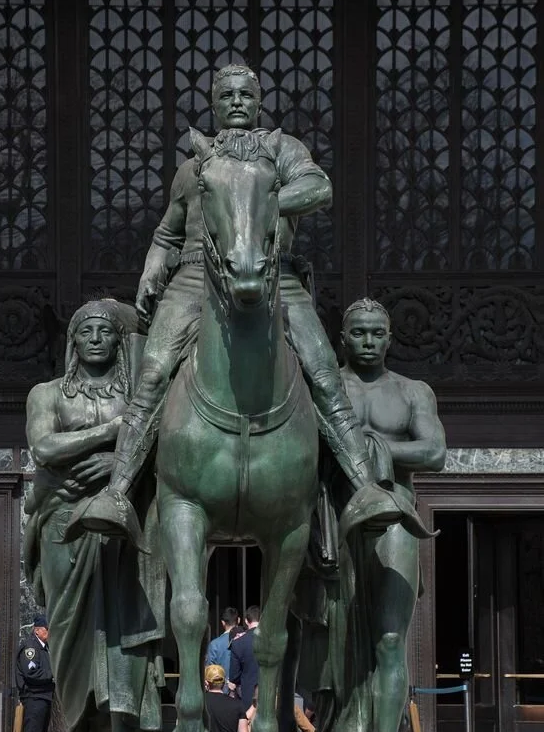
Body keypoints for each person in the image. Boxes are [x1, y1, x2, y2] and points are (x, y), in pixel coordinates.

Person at [75, 62, 386, 544]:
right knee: (154, 371)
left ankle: (364, 488)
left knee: (323, 370)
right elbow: (167, 232)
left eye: (246, 94)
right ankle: (117, 493)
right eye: (227, 96)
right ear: (214, 106)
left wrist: (256, 197)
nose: (237, 101)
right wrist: (151, 266)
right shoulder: (191, 167)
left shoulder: (281, 149)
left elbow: (320, 186)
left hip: (272, 275)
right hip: (195, 276)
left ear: (259, 101)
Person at [24, 299, 166, 732]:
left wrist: (119, 464)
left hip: (124, 525)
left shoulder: (141, 399)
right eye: (86, 331)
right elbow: (44, 447)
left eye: (106, 331)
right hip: (64, 524)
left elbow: (165, 451)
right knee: (72, 639)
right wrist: (116, 432)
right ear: (73, 341)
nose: (97, 339)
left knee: (126, 638)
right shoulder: (47, 394)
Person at [312, 298, 446, 732]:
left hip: (393, 513)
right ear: (342, 339)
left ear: (389, 338)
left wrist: (373, 447)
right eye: (359, 334)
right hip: (336, 519)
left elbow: (434, 451)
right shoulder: (324, 389)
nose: (368, 342)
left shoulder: (412, 392)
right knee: (328, 643)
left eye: (377, 334)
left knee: (390, 641)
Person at [16, 614, 54, 732]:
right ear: (37, 630)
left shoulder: (44, 647)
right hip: (34, 697)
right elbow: (31, 673)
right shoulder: (31, 647)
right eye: (47, 629)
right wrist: (52, 676)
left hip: (44, 697)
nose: (49, 633)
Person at [228, 606, 261, 710]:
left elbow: (234, 675)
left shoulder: (238, 643)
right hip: (270, 693)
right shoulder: (271, 641)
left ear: (246, 621)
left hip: (248, 693)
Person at [205, 607, 239, 688]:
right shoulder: (246, 641)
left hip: (221, 689)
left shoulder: (215, 644)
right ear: (238, 620)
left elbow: (210, 671)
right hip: (242, 691)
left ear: (223, 623)